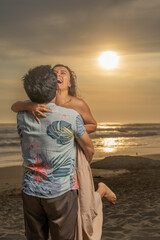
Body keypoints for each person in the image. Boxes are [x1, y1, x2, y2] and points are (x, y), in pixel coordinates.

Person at [12, 64, 117, 240]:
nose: (58, 74)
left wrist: (69, 134)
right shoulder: (33, 106)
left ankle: (100, 192)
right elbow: (16, 105)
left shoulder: (75, 106)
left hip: (71, 152)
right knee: (70, 212)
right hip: (57, 173)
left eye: (63, 72)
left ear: (69, 82)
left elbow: (91, 129)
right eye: (55, 72)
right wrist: (28, 106)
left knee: (82, 203)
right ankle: (100, 192)